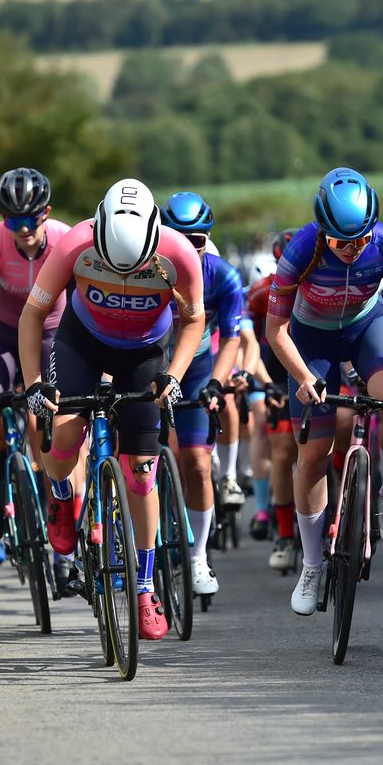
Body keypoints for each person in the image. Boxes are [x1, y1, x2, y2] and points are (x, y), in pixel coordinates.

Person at [19, 178, 205, 641]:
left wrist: (176, 376)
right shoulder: (74, 244)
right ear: (97, 233)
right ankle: (63, 496)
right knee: (62, 435)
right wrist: (33, 384)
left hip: (144, 353)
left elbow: (194, 318)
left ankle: (144, 588)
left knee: (142, 469)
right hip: (82, 344)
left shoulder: (179, 252)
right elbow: (32, 316)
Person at [266, 168, 383, 616]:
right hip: (309, 340)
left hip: (366, 328)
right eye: (342, 242)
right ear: (323, 230)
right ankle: (312, 562)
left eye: (361, 239)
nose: (353, 249)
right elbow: (275, 328)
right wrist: (304, 377)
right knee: (314, 453)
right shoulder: (301, 249)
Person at [0, 167, 73, 571]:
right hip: (1, 331)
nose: (22, 229)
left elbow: (81, 305)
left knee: (41, 421)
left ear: (47, 213)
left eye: (30, 219)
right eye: (13, 221)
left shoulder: (66, 240)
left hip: (51, 331)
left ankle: (57, 511)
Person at [159, 191, 243, 597]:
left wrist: (217, 383)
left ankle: (197, 557)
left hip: (196, 368)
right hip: (149, 362)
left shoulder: (222, 275)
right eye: (181, 238)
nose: (191, 248)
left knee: (195, 464)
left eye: (199, 239)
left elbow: (231, 339)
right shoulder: (149, 269)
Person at [247, 228, 301, 570]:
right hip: (276, 372)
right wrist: (263, 383)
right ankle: (283, 532)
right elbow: (249, 345)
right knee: (282, 450)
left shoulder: (324, 286)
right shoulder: (261, 292)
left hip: (317, 366)